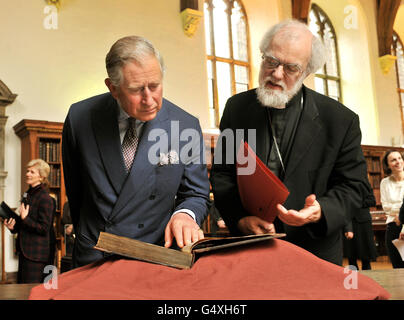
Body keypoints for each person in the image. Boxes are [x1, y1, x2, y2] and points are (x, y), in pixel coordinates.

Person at [210, 19, 369, 265]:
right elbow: (223, 174)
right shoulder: (237, 108)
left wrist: (320, 211)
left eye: (291, 68)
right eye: (270, 61)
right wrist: (239, 218)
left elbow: (354, 186)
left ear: (306, 71)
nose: (276, 74)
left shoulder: (340, 120)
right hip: (252, 245)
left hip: (314, 252)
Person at [62, 36, 210, 268]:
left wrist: (185, 214)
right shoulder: (79, 118)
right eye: (136, 90)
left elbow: (196, 194)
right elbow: (76, 192)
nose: (149, 99)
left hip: (154, 255)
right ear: (113, 88)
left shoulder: (185, 126)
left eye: (155, 86)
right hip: (95, 253)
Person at [3, 159, 55, 283]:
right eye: (27, 171)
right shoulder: (27, 194)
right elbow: (23, 224)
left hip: (36, 255)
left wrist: (25, 218)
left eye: (32, 172)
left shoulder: (45, 198)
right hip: (25, 251)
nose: (27, 174)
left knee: (31, 292)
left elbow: (44, 228)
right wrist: (13, 228)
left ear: (41, 177)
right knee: (22, 290)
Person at [343, 187, 377, 270]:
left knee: (366, 256)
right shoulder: (344, 186)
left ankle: (368, 280)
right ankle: (353, 281)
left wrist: (356, 202)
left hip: (364, 222)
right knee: (351, 256)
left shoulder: (365, 186)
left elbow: (372, 201)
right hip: (349, 221)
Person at [380, 150, 404, 268]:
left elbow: (391, 207)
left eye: (399, 158)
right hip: (393, 225)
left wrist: (398, 211)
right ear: (388, 165)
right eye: (393, 160)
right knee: (397, 266)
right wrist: (401, 207)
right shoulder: (385, 182)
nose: (398, 162)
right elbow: (386, 207)